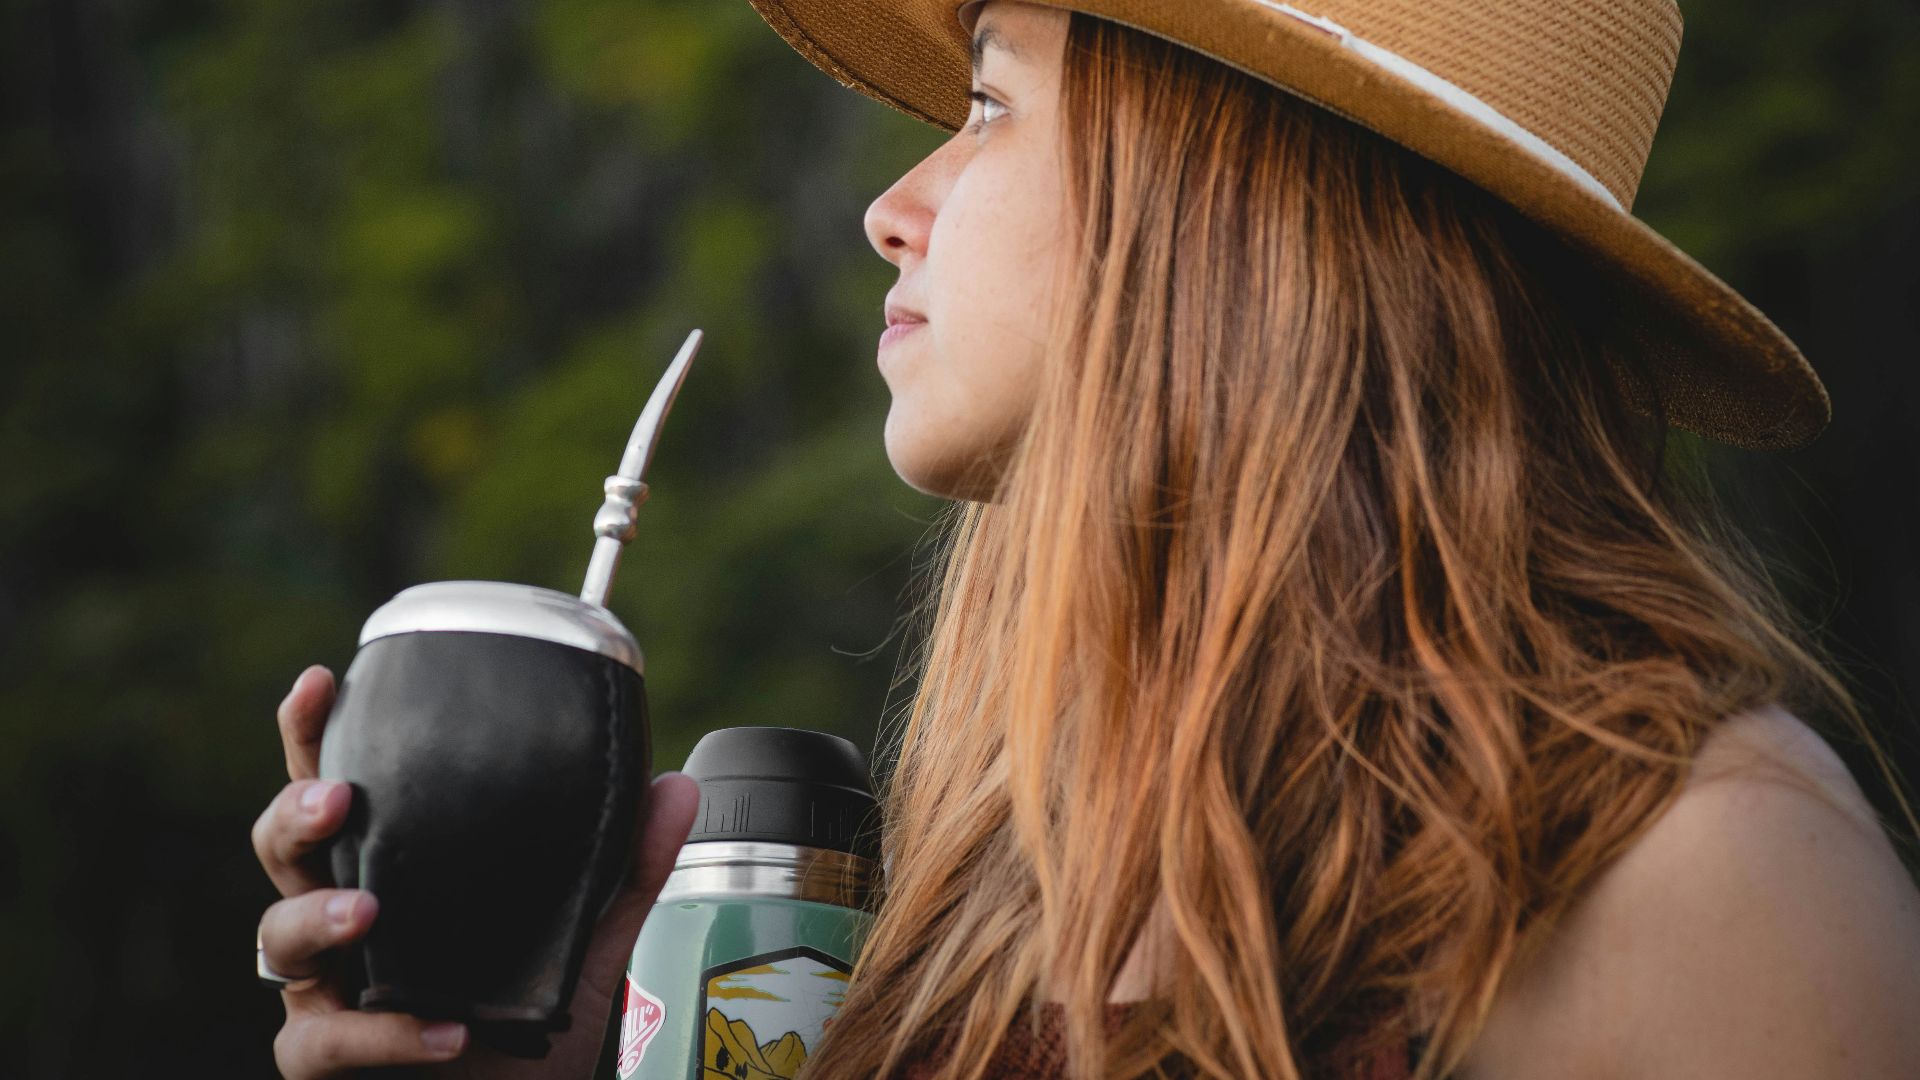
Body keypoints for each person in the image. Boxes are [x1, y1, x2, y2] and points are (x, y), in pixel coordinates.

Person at [251, 1, 1920, 1077]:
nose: (890, 205)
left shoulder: (1685, 870)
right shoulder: (1001, 873)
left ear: (1245, 187)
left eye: (988, 104)